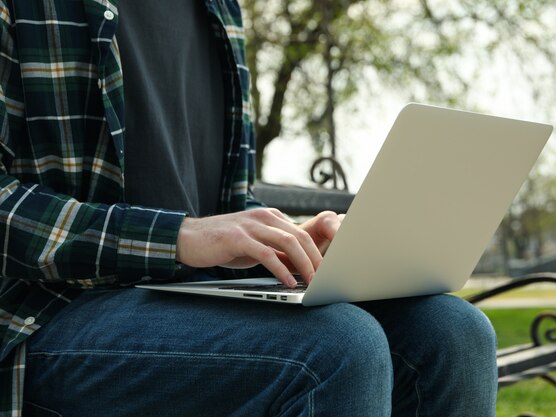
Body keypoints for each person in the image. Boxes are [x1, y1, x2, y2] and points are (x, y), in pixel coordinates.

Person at [0, 1, 498, 416]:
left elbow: (224, 205)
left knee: (453, 333)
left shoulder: (221, 8)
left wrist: (285, 238)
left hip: (193, 296)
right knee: (337, 348)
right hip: (49, 312)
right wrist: (177, 237)